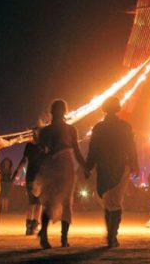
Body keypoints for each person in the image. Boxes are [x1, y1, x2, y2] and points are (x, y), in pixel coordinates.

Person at [85, 96, 139, 248]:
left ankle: (111, 234)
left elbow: (92, 150)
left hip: (104, 168)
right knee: (114, 201)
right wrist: (135, 164)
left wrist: (88, 166)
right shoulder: (125, 126)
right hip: (120, 167)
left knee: (109, 201)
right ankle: (112, 235)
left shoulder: (98, 127)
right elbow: (131, 147)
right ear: (118, 109)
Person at [36, 99, 87, 249]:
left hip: (55, 165)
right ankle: (59, 238)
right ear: (64, 111)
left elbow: (40, 152)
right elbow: (76, 152)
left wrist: (85, 166)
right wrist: (86, 167)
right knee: (60, 201)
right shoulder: (68, 130)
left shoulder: (47, 131)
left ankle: (48, 235)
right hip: (62, 165)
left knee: (53, 201)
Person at [13, 115, 48, 236]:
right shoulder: (37, 146)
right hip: (35, 175)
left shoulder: (38, 145)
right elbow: (24, 160)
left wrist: (16, 172)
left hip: (37, 175)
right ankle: (31, 226)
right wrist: (16, 171)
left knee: (36, 202)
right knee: (34, 202)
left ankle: (32, 225)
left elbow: (24, 160)